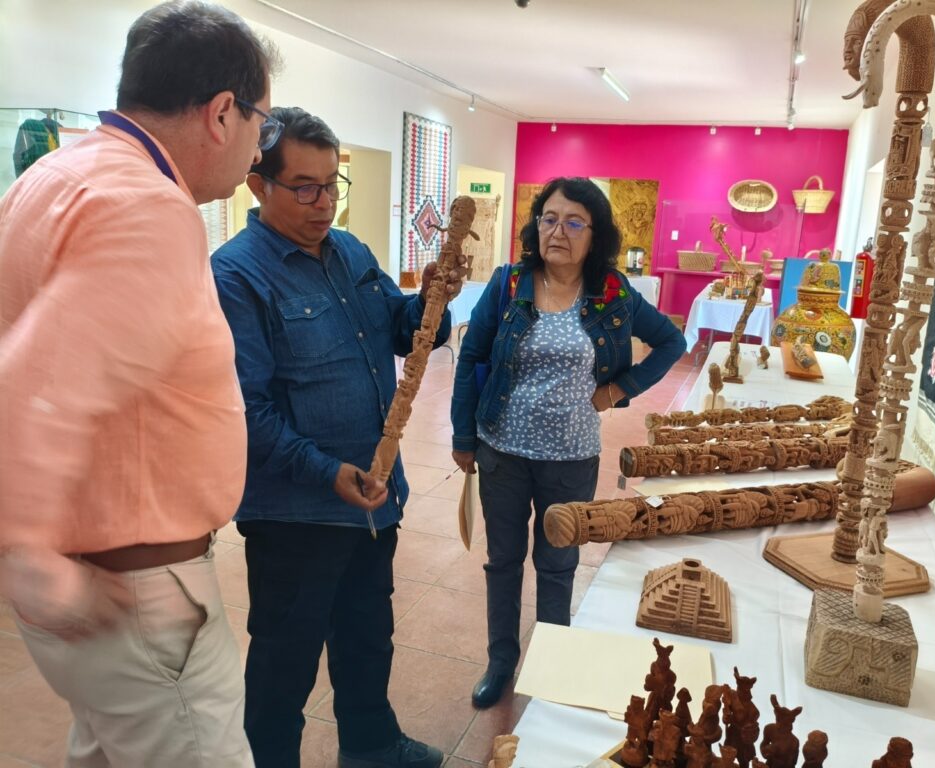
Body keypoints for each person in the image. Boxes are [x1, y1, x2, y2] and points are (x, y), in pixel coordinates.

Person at [0, 2, 283, 765]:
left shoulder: (52, 177)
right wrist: (29, 550)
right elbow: (39, 382)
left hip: (102, 588)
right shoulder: (148, 208)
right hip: (135, 595)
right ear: (221, 113)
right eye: (260, 124)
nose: (257, 148)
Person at [212, 106, 464, 768]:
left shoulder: (350, 251)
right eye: (305, 188)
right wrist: (328, 473)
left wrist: (431, 302)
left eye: (332, 184)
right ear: (258, 185)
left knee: (366, 634)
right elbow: (246, 411)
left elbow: (402, 330)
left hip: (374, 496)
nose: (324, 203)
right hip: (296, 513)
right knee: (284, 662)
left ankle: (371, 744)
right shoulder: (235, 276)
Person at [450, 177, 686, 708]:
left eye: (575, 222)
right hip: (502, 450)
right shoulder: (510, 283)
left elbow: (672, 341)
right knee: (503, 560)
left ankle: (552, 662)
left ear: (594, 234)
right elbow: (473, 357)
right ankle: (501, 660)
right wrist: (464, 435)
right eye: (550, 219)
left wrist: (618, 391)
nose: (558, 231)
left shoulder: (612, 292)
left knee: (557, 564)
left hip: (572, 457)